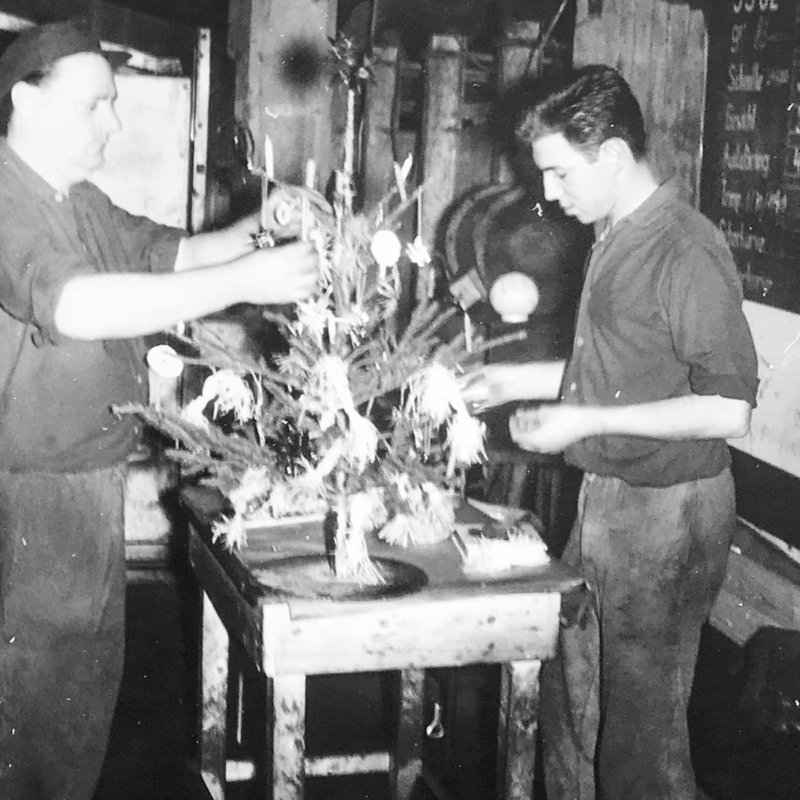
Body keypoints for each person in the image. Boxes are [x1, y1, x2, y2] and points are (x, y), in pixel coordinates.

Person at [0, 18, 325, 800]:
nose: (112, 123)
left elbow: (167, 250)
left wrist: (261, 229)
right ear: (24, 100)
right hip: (33, 493)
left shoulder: (74, 198)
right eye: (95, 105)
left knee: (76, 696)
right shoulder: (8, 199)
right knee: (35, 710)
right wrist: (249, 281)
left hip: (84, 481)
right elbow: (75, 305)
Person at [462, 65, 759, 799]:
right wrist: (516, 382)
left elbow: (729, 410)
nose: (550, 193)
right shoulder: (615, 235)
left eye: (561, 173)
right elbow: (621, 367)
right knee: (575, 710)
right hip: (610, 501)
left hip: (668, 510)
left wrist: (585, 419)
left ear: (615, 156)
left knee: (638, 746)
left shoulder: (685, 249)